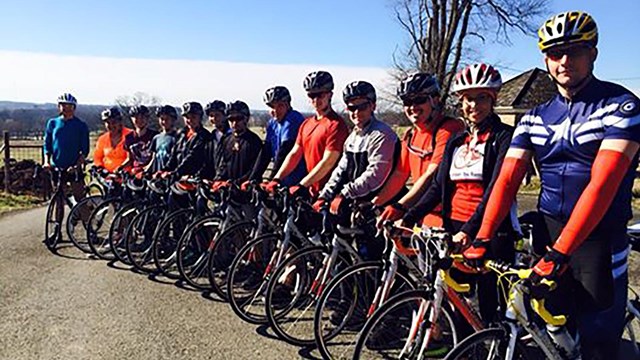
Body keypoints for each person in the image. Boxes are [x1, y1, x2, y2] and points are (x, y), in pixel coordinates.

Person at [462, 11, 640, 359]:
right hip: (549, 231)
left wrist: (562, 252)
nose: (564, 61)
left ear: (593, 53)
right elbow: (506, 181)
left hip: (597, 239)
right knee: (552, 329)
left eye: (574, 50)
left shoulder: (621, 106)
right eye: (555, 53)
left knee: (597, 344)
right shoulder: (535, 116)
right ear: (545, 59)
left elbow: (602, 185)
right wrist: (482, 237)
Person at [401, 63, 516, 324]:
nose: (473, 105)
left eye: (481, 98)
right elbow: (437, 187)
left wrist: (471, 230)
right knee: (458, 307)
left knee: (491, 309)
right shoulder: (457, 141)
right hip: (453, 229)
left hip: (491, 231)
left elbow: (497, 188)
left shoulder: (505, 137)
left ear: (493, 99)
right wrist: (407, 217)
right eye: (467, 99)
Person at [313, 81, 400, 259]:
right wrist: (325, 195)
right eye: (351, 107)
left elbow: (375, 175)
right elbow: (341, 170)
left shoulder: (382, 135)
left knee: (375, 263)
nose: (356, 112)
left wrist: (344, 194)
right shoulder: (353, 136)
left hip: (380, 206)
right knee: (353, 258)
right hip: (360, 205)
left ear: (373, 106)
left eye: (362, 107)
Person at [376, 73, 464, 227]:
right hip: (422, 214)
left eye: (419, 100)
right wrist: (375, 204)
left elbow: (432, 175)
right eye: (407, 102)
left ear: (434, 100)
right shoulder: (410, 136)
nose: (413, 107)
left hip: (449, 217)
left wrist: (400, 205)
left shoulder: (449, 129)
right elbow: (399, 175)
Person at [265, 71, 349, 198]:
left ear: (330, 95)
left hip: (330, 194)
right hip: (310, 191)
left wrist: (302, 185)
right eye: (311, 95)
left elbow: (327, 162)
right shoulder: (306, 124)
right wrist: (276, 179)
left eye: (320, 95)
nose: (315, 100)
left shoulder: (336, 125)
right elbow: (294, 154)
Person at [248, 86, 306, 186]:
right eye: (271, 107)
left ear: (288, 105)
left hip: (296, 179)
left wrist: (272, 179)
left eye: (280, 106)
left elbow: (285, 150)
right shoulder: (272, 123)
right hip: (281, 178)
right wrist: (253, 178)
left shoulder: (293, 119)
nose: (275, 110)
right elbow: (265, 152)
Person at [43, 92, 90, 201]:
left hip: (73, 167)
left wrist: (77, 165)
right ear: (59, 107)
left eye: (69, 106)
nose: (66, 108)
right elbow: (47, 145)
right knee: (58, 198)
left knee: (80, 199)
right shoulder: (52, 123)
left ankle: (86, 218)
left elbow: (85, 149)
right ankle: (58, 218)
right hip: (57, 166)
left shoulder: (80, 125)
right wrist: (46, 161)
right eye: (63, 105)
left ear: (74, 108)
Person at [212, 101, 264, 187]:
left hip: (246, 189)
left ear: (246, 119)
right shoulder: (226, 139)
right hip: (226, 190)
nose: (234, 123)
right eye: (231, 119)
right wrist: (218, 180)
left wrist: (237, 182)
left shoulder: (254, 141)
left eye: (238, 119)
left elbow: (255, 169)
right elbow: (222, 164)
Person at [119, 105, 158, 172]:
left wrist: (146, 170)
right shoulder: (129, 138)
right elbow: (129, 159)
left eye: (142, 117)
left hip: (151, 172)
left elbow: (155, 158)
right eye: (136, 117)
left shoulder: (154, 136)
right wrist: (119, 168)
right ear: (132, 119)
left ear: (147, 119)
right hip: (135, 172)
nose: (139, 120)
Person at [94, 106, 133, 173]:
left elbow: (133, 159)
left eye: (114, 122)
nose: (111, 125)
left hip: (126, 177)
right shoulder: (102, 139)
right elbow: (97, 157)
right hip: (107, 177)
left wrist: (120, 169)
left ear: (120, 122)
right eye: (108, 123)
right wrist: (100, 167)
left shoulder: (131, 135)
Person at [201, 100, 230, 179]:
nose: (214, 118)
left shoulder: (232, 136)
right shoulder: (211, 137)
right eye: (211, 115)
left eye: (217, 115)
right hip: (213, 182)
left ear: (225, 116)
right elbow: (207, 162)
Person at [147, 105, 178, 174]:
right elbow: (154, 158)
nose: (164, 122)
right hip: (156, 176)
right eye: (161, 119)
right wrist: (145, 171)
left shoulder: (178, 138)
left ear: (173, 120)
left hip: (170, 177)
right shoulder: (156, 138)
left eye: (167, 119)